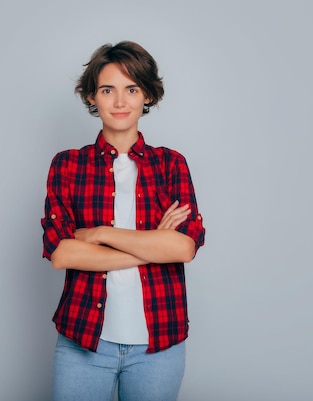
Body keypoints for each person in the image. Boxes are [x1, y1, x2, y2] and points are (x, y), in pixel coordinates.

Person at [41, 40, 205, 401]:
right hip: (82, 342)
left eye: (131, 89)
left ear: (146, 95)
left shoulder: (170, 164)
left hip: (159, 345)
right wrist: (152, 245)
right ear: (91, 97)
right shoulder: (67, 165)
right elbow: (63, 254)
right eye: (107, 89)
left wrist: (100, 234)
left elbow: (183, 247)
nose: (119, 101)